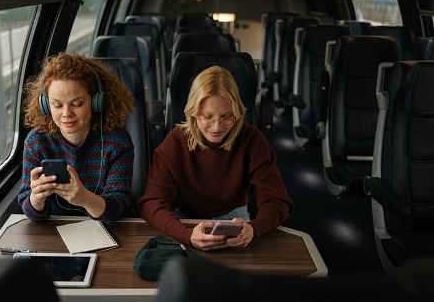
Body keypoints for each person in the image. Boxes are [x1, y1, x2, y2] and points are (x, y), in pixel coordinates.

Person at [137, 66, 293, 251]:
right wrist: (186, 234)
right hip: (185, 219)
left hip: (235, 218)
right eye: (208, 117)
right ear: (194, 114)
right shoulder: (176, 141)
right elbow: (150, 202)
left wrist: (254, 228)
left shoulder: (252, 140)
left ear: (236, 113)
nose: (217, 127)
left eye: (226, 117)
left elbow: (278, 201)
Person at [18, 52, 135, 222]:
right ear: (45, 105)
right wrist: (36, 199)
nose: (66, 113)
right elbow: (30, 208)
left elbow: (119, 205)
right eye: (57, 105)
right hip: (56, 230)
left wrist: (85, 199)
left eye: (77, 104)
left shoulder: (117, 142)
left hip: (105, 228)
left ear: (97, 102)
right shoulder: (36, 142)